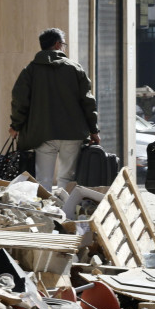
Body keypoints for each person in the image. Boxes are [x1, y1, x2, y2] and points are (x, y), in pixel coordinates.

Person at [10, 28, 100, 191]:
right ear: (58, 44)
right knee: (66, 178)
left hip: (42, 133)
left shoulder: (30, 70)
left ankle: (47, 214)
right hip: (72, 133)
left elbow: (20, 100)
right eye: (63, 44)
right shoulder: (75, 68)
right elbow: (88, 102)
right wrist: (94, 130)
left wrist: (16, 125)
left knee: (43, 178)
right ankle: (65, 213)